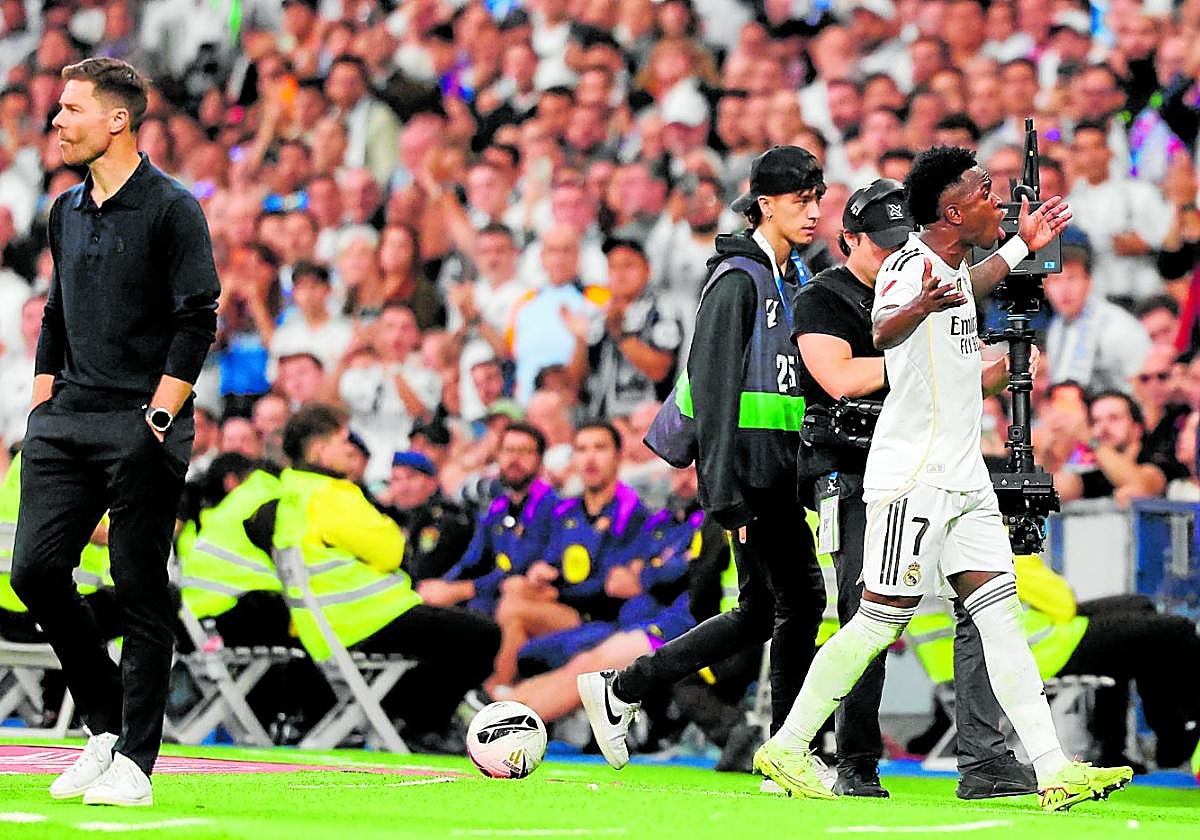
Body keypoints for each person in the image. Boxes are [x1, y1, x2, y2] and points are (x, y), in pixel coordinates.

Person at [754, 145, 1134, 813]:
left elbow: (974, 283)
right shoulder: (909, 268)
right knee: (877, 622)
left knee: (1001, 618)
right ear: (954, 211)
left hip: (963, 480)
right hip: (913, 479)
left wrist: (1021, 246)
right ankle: (787, 744)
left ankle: (1052, 768)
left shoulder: (954, 268)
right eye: (986, 193)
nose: (998, 201)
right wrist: (914, 310)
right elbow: (881, 324)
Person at [578, 145, 828, 770]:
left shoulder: (783, 274)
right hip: (748, 472)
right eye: (802, 201)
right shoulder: (738, 281)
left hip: (774, 469)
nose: (815, 212)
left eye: (818, 199)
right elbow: (714, 392)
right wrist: (723, 493)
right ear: (764, 206)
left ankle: (625, 688)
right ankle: (788, 747)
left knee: (768, 609)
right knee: (794, 603)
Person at [12, 58, 220, 807]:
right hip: (66, 418)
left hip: (142, 422)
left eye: (71, 109)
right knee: (33, 573)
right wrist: (42, 410)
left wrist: (157, 420)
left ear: (118, 119)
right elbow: (57, 315)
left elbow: (198, 320)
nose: (57, 121)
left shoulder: (173, 208)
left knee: (137, 587)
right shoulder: (63, 208)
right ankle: (103, 722)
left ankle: (136, 758)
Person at [791, 178, 1034, 799]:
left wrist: (1003, 367)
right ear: (849, 239)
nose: (894, 254)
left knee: (984, 612)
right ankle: (852, 761)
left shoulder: (934, 283)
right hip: (855, 470)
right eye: (881, 243)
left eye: (903, 240)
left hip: (943, 469)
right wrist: (931, 349)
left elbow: (964, 381)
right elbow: (840, 376)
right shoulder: (824, 296)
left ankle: (986, 761)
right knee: (867, 615)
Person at [269, 404, 500, 749]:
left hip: (326, 628)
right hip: (368, 619)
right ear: (319, 449)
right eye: (342, 441)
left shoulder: (289, 493)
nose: (349, 449)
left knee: (445, 645)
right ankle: (423, 725)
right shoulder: (330, 494)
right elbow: (392, 550)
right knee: (483, 636)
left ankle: (417, 722)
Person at [489, 421, 647, 690]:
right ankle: (508, 694)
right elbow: (552, 561)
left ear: (618, 457)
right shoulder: (566, 511)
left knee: (513, 609)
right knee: (514, 589)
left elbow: (614, 584)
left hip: (600, 616)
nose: (590, 458)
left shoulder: (632, 512)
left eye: (600, 448)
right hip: (567, 605)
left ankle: (497, 694)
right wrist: (542, 574)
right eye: (582, 449)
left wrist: (557, 589)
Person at [426, 422, 558, 614]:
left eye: (524, 451)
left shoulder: (550, 505)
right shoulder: (498, 507)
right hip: (489, 597)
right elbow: (471, 561)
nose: (514, 458)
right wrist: (442, 585)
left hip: (524, 600)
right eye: (508, 450)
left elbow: (519, 567)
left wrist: (462, 590)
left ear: (540, 460)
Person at [384, 450, 473, 583]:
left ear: (432, 482)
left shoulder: (444, 520)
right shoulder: (400, 517)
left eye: (411, 478)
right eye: (396, 479)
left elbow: (421, 573)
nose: (403, 487)